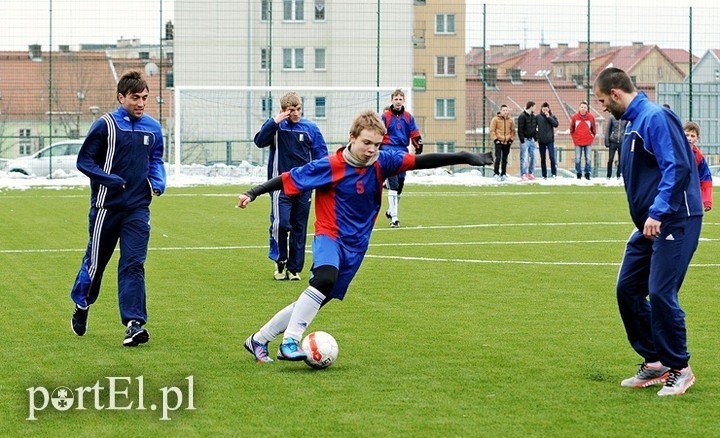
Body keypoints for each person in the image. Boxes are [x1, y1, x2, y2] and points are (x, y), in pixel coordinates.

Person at [237, 110, 493, 363]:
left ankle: (258, 339)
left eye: (377, 144)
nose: (372, 149)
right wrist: (253, 192)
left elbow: (421, 161)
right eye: (366, 143)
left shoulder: (383, 161)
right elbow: (287, 178)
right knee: (325, 278)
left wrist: (464, 156)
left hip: (357, 245)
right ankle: (289, 343)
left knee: (313, 299)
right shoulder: (331, 165)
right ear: (352, 137)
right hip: (330, 235)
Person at [593, 67, 703, 396]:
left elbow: (678, 166)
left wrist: (657, 211)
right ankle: (655, 360)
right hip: (649, 225)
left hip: (675, 218)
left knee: (660, 292)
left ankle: (680, 368)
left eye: (601, 100)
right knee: (627, 288)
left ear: (615, 93)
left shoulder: (655, 117)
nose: (601, 107)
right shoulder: (632, 124)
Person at [69, 71, 166, 347]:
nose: (141, 103)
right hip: (105, 208)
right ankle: (82, 304)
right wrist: (109, 179)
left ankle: (134, 324)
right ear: (121, 97)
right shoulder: (105, 126)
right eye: (135, 97)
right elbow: (84, 162)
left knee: (134, 264)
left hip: (138, 209)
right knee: (96, 264)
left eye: (145, 98)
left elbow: (156, 160)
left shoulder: (153, 128)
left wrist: (158, 182)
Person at [254, 91, 328, 281]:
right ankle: (280, 261)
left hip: (304, 186)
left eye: (298, 109)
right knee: (281, 223)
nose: (295, 113)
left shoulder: (310, 128)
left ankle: (294, 268)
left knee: (299, 226)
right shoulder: (276, 128)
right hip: (280, 185)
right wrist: (274, 121)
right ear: (283, 110)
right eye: (290, 110)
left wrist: (322, 180)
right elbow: (259, 141)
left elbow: (322, 156)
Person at [380, 89, 423, 228]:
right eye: (396, 99)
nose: (398, 101)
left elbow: (414, 132)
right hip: (388, 151)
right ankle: (395, 218)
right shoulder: (385, 116)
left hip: (403, 151)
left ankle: (391, 210)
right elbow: (379, 132)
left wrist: (418, 144)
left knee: (400, 183)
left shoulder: (408, 117)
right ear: (392, 100)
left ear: (403, 101)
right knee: (393, 183)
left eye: (400, 99)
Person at [683, 121, 713, 212]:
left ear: (698, 138)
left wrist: (707, 201)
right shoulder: (673, 150)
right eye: (686, 135)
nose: (689, 138)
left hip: (690, 194)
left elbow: (706, 178)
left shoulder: (699, 156)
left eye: (692, 136)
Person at [570, 101, 596, 180]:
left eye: (585, 107)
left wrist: (591, 137)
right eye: (582, 107)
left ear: (587, 108)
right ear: (579, 108)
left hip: (588, 141)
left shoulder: (591, 117)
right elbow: (572, 129)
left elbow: (594, 129)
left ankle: (587, 173)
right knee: (577, 158)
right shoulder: (575, 117)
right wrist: (575, 138)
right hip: (578, 141)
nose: (583, 109)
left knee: (588, 158)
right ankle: (578, 173)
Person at [490, 105, 516, 181]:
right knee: (498, 158)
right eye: (504, 110)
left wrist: (511, 140)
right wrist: (495, 140)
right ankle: (496, 173)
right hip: (498, 142)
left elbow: (513, 131)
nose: (505, 112)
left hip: (507, 142)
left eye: (506, 110)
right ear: (500, 111)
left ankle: (503, 174)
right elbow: (492, 130)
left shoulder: (510, 120)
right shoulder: (495, 119)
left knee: (505, 159)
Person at [536, 102, 559, 179]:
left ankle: (554, 173)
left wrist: (549, 117)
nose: (545, 111)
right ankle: (544, 175)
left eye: (546, 109)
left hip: (550, 140)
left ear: (549, 109)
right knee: (543, 158)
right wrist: (537, 136)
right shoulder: (538, 117)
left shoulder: (552, 116)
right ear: (541, 109)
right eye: (543, 109)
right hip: (541, 141)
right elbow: (534, 127)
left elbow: (556, 124)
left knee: (552, 157)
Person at [517, 100, 538, 180]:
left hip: (532, 140)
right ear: (531, 106)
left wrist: (536, 138)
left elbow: (535, 128)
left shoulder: (534, 117)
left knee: (533, 157)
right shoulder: (522, 116)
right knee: (524, 158)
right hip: (525, 140)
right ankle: (523, 174)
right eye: (534, 107)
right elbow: (520, 129)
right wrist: (522, 140)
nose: (535, 108)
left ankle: (530, 173)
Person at [604, 113, 626, 179]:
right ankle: (608, 175)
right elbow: (608, 130)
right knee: (610, 159)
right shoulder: (612, 117)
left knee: (621, 159)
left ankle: (618, 175)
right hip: (613, 141)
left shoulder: (625, 118)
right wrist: (607, 141)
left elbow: (627, 129)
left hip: (622, 142)